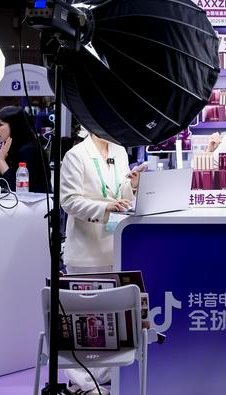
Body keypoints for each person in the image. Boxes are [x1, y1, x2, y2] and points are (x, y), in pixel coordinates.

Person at [59, 130, 146, 392]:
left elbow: (122, 194)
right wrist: (105, 207)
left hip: (115, 246)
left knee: (111, 322)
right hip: (86, 250)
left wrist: (133, 185)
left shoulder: (119, 151)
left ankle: (105, 380)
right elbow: (69, 201)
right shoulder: (75, 155)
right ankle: (83, 383)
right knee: (83, 322)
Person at [0, 106, 46, 192]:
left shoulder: (29, 150)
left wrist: (1, 160)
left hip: (34, 199)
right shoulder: (12, 146)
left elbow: (17, 189)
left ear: (14, 126)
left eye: (0, 125)